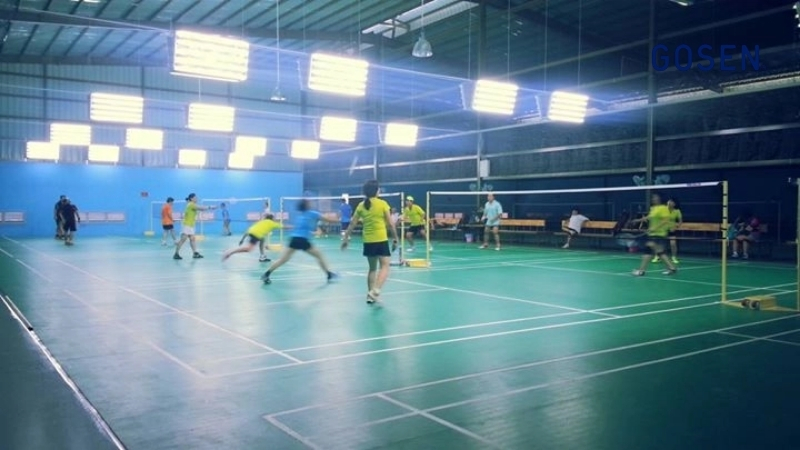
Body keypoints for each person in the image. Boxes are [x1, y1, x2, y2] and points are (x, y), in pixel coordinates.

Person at [342, 180, 399, 304]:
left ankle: (369, 296)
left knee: (372, 269)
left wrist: (346, 238)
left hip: (368, 241)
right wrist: (396, 238)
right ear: (376, 191)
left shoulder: (361, 205)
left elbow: (352, 223)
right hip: (381, 239)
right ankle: (375, 291)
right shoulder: (383, 204)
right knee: (385, 266)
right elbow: (390, 224)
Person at [261, 199, 339, 285]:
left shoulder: (300, 216)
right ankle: (329, 275)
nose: (311, 203)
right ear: (307, 205)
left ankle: (266, 274)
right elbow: (328, 220)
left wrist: (314, 232)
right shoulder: (313, 213)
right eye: (309, 203)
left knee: (283, 260)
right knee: (319, 256)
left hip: (293, 239)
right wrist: (340, 220)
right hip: (302, 240)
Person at [630, 192, 678, 276]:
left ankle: (641, 270)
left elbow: (666, 220)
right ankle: (671, 268)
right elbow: (649, 217)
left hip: (660, 234)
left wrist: (655, 228)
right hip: (652, 234)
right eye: (653, 197)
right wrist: (638, 220)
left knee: (649, 248)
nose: (653, 199)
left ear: (660, 198)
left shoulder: (663, 208)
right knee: (659, 252)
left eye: (655, 197)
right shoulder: (653, 208)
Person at [173, 193, 216, 260]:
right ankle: (176, 254)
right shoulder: (191, 204)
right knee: (183, 239)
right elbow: (201, 208)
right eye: (195, 197)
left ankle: (195, 253)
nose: (197, 198)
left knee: (192, 239)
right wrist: (210, 207)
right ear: (191, 198)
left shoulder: (192, 205)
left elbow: (199, 210)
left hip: (191, 225)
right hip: (186, 225)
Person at [653, 198, 682, 264]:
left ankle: (674, 257)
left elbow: (680, 221)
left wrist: (676, 227)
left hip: (672, 229)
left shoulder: (677, 211)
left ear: (674, 204)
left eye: (671, 202)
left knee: (673, 244)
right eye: (668, 202)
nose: (669, 203)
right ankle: (657, 256)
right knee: (659, 243)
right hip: (663, 229)